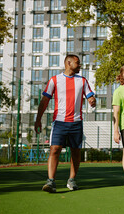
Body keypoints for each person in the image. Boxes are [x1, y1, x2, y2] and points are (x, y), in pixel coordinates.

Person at [35, 54, 96, 193]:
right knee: (55, 149)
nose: (80, 65)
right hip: (59, 122)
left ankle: (72, 180)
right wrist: (38, 119)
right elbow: (44, 101)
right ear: (68, 63)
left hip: (76, 123)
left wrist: (92, 101)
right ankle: (50, 182)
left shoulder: (83, 81)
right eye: (77, 63)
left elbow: (90, 96)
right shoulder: (55, 80)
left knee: (75, 151)